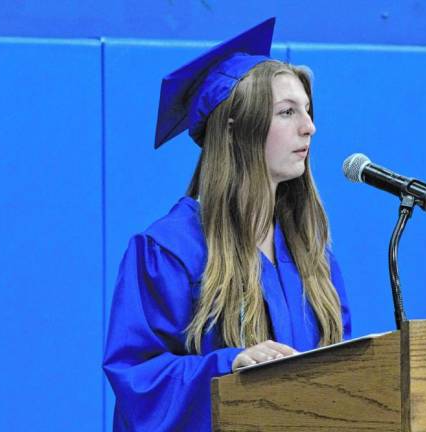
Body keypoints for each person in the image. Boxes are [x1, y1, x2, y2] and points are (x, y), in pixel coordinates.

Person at [103, 18, 351, 431]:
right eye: (287, 112)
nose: (309, 126)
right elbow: (138, 379)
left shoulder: (312, 255)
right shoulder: (170, 250)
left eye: (307, 111)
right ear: (236, 130)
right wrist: (229, 365)